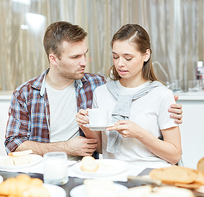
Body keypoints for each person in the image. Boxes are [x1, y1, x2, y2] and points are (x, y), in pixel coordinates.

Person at [5, 21, 183, 160]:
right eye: (75, 57)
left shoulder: (96, 85)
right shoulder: (25, 94)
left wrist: (165, 100)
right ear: (54, 59)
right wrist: (66, 147)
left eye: (85, 54)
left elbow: (134, 91)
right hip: (42, 168)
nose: (84, 62)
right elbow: (12, 144)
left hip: (87, 168)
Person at [76, 24, 182, 167]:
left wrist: (139, 133)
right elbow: (102, 148)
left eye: (128, 58)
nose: (120, 64)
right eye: (115, 56)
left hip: (150, 171)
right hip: (113, 171)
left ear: (146, 55)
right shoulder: (101, 93)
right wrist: (85, 126)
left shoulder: (162, 95)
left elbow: (175, 155)